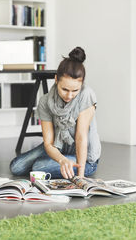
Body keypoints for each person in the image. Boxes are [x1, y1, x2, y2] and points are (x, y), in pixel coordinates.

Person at [10, 47, 101, 179]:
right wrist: (61, 160)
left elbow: (81, 137)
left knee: (38, 167)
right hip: (58, 146)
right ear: (56, 80)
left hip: (84, 157)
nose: (69, 95)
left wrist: (80, 178)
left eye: (75, 90)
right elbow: (48, 143)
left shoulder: (87, 95)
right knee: (16, 167)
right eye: (65, 89)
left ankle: (60, 163)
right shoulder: (45, 101)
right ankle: (58, 161)